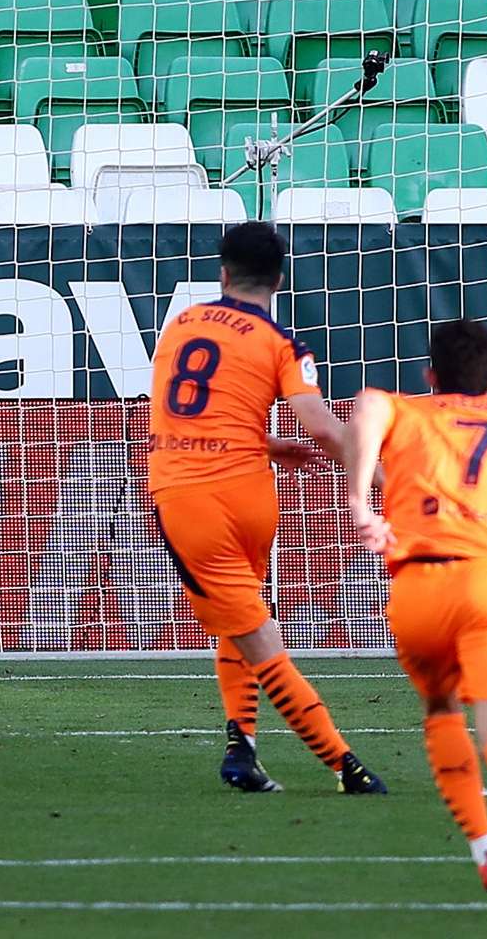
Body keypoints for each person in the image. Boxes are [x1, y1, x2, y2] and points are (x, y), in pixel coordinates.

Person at [147, 222, 386, 795]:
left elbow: (177, 414)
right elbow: (324, 430)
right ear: (278, 280)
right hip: (253, 497)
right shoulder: (282, 343)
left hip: (189, 500)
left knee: (257, 637)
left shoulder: (178, 325)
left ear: (223, 273)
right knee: (243, 621)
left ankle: (344, 766)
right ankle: (242, 750)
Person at [345, 318, 487, 895]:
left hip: (417, 587)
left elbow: (366, 407)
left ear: (430, 376)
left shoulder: (409, 411)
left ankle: (484, 846)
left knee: (440, 707)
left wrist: (361, 503)